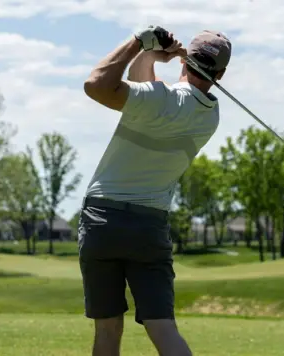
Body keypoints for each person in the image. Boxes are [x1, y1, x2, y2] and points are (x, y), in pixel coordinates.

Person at [80, 25, 232, 356]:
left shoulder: (155, 99)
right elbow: (151, 90)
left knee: (108, 328)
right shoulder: (210, 116)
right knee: (162, 327)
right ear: (220, 73)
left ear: (186, 60)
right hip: (149, 228)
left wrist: (139, 41)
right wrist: (150, 55)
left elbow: (96, 85)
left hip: (103, 220)